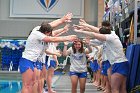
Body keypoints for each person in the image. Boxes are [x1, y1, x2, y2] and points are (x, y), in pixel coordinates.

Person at [19, 12, 77, 93]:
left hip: (34, 61)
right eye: (49, 33)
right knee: (27, 85)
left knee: (33, 82)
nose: (51, 34)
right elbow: (52, 39)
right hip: (27, 60)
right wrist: (67, 38)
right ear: (46, 32)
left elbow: (52, 25)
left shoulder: (40, 29)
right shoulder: (36, 33)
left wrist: (62, 20)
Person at [74, 20, 129, 93]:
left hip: (119, 63)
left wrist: (81, 31)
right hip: (117, 63)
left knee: (115, 89)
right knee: (122, 89)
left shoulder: (111, 36)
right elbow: (96, 34)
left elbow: (94, 34)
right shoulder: (108, 36)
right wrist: (86, 28)